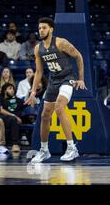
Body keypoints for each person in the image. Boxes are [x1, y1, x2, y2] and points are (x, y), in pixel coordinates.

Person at [26, 17, 86, 163]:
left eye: (44, 27)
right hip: (53, 81)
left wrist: (81, 78)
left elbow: (78, 56)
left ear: (51, 29)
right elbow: (39, 71)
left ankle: (72, 148)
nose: (41, 30)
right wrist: (33, 91)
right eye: (39, 28)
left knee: (59, 108)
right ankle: (44, 150)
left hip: (67, 78)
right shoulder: (37, 48)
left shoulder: (61, 42)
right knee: (45, 114)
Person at [0, 83, 24, 153]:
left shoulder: (18, 100)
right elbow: (1, 110)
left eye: (13, 89)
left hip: (18, 119)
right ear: (4, 91)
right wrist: (14, 116)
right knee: (13, 119)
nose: (12, 90)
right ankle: (15, 144)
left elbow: (26, 105)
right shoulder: (1, 99)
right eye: (10, 89)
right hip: (5, 119)